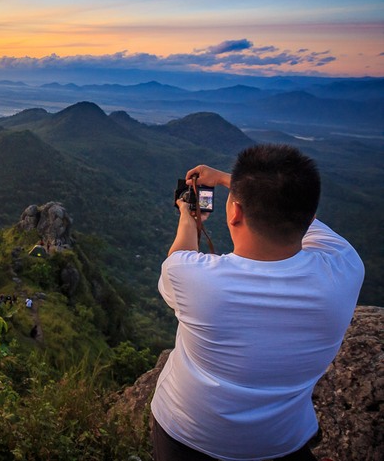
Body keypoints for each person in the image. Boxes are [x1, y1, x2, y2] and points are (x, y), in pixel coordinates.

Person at [151, 144, 364, 461]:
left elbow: (179, 256)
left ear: (234, 212)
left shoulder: (193, 279)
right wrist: (230, 182)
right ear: (309, 216)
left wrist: (189, 215)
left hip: (187, 436)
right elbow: (306, 219)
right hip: (280, 443)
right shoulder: (345, 268)